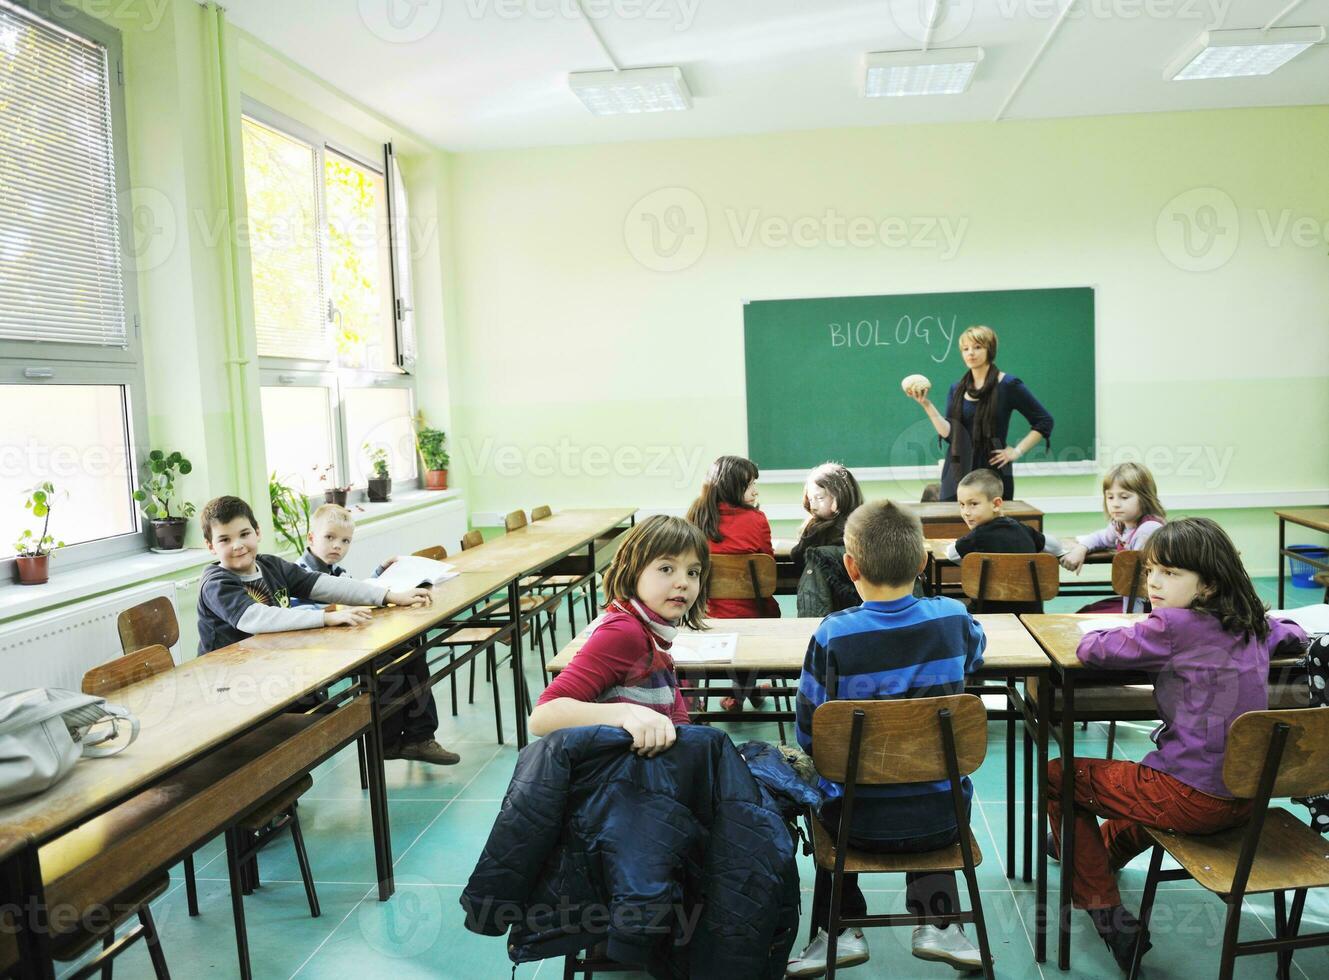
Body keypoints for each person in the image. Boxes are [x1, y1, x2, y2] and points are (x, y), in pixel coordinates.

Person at [1047, 518, 1309, 971]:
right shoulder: (1253, 626)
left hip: (1189, 798)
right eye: (1151, 570)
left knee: (1058, 776)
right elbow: (1296, 634)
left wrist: (1116, 629)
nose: (1154, 581)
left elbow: (1093, 650)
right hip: (1245, 798)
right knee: (1148, 800)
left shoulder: (1170, 626)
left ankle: (1103, 910)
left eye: (1170, 573)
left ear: (1207, 585)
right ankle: (1087, 854)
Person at [788, 500, 987, 976]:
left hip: (855, 826)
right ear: (922, 563)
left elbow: (811, 733)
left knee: (831, 781)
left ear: (849, 565)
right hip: (943, 822)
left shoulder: (833, 635)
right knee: (932, 772)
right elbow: (975, 659)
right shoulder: (953, 618)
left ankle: (840, 930)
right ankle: (939, 921)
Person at [195, 496, 459, 766]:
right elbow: (254, 618)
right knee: (333, 715)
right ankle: (383, 744)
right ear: (210, 546)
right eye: (224, 540)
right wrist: (326, 618)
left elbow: (326, 585)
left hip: (278, 669)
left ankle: (411, 739)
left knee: (403, 652)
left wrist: (390, 595)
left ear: (258, 532)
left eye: (244, 534)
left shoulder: (271, 566)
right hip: (234, 687)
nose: (237, 545)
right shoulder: (216, 582)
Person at [292, 503, 460, 765]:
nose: (337, 546)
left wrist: (379, 572)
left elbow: (357, 590)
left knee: (412, 653)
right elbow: (301, 611)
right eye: (330, 538)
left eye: (345, 541)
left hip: (351, 639)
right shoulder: (298, 573)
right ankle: (387, 742)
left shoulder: (336, 570)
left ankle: (419, 737)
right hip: (322, 651)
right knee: (384, 667)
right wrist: (334, 609)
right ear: (311, 538)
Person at [528, 515, 709, 757]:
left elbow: (677, 722)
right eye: (666, 569)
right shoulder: (624, 632)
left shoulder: (654, 632)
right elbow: (542, 717)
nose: (683, 582)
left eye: (693, 572)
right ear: (633, 572)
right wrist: (626, 714)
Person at [904, 325, 1054, 501]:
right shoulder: (957, 388)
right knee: (953, 526)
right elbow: (949, 433)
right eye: (965, 349)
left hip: (991, 470)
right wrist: (926, 404)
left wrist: (1016, 452)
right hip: (957, 470)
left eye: (977, 347)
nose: (971, 353)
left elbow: (1044, 421)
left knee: (992, 525)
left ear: (989, 349)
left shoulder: (1008, 385)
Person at [686, 455, 779, 712]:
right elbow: (767, 570)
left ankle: (738, 693)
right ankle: (742, 692)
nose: (755, 490)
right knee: (763, 618)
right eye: (750, 485)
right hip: (754, 612)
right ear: (732, 487)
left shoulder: (695, 516)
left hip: (705, 611)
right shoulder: (756, 520)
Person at [1059, 461, 1167, 572]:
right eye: (1110, 497)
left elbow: (1138, 574)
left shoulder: (1148, 529)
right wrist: (1081, 549)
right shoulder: (1121, 524)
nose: (1115, 504)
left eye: (1124, 497)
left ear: (1145, 498)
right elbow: (1100, 538)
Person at [790, 462, 864, 573]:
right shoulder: (865, 525)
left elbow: (797, 557)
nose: (813, 506)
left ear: (838, 496)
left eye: (819, 498)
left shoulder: (818, 529)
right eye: (810, 500)